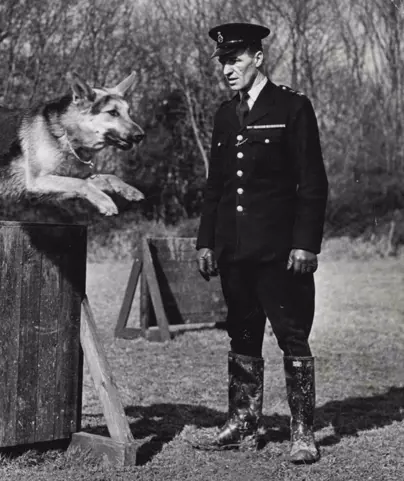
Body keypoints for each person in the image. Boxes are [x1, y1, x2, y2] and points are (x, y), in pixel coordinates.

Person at [194, 22, 329, 464]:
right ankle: (243, 423)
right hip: (234, 252)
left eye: (235, 59)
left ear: (258, 58)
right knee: (243, 334)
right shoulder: (223, 114)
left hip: (281, 254)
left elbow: (312, 183)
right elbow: (215, 187)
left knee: (293, 337)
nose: (227, 69)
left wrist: (305, 244)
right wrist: (205, 242)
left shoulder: (292, 106)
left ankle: (303, 432)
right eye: (223, 62)